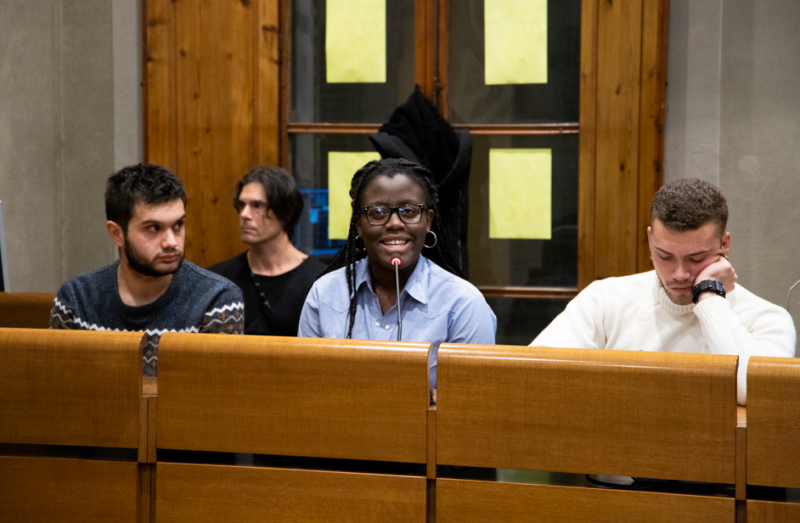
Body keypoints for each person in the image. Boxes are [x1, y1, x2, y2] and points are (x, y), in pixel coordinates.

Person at [530, 178, 795, 406]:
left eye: (696, 258)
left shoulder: (766, 318)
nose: (679, 273)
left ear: (724, 244)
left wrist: (710, 297)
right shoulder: (605, 298)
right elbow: (534, 376)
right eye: (665, 256)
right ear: (650, 240)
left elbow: (758, 394)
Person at [49, 163, 244, 376]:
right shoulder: (77, 298)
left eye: (178, 225)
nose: (171, 242)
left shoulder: (216, 298)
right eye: (153, 228)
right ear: (116, 234)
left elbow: (211, 391)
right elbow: (60, 386)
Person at [298, 158, 496, 350]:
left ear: (428, 221)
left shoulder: (463, 304)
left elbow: (473, 374)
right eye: (378, 212)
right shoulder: (324, 295)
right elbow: (306, 372)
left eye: (409, 211)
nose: (394, 223)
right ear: (359, 224)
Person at [210, 167, 326, 336]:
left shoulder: (319, 280)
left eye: (257, 205)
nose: (244, 214)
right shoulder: (219, 279)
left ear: (285, 212)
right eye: (242, 205)